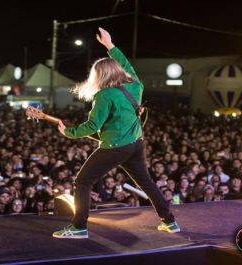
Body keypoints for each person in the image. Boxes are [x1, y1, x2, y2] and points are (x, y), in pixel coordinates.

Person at [53, 27, 179, 239]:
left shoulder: (104, 95)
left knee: (82, 182)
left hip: (115, 147)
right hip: (136, 144)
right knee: (146, 182)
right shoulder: (136, 86)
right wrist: (110, 45)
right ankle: (170, 222)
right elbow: (128, 65)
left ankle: (79, 228)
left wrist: (69, 132)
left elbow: (92, 126)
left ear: (99, 76)